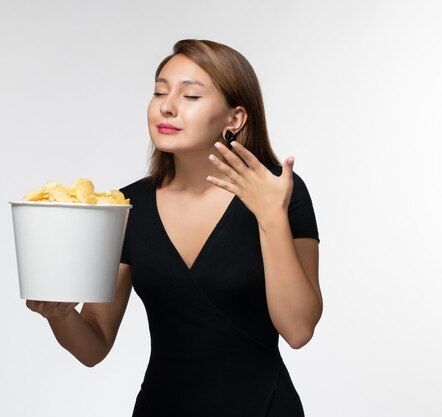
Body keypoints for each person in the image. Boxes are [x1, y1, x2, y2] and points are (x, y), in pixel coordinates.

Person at [26, 39, 321, 417]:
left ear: (235, 118)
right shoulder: (125, 206)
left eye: (191, 95)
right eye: (159, 91)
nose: (166, 106)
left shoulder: (281, 192)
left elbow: (298, 330)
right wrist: (60, 312)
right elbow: (94, 345)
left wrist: (270, 217)